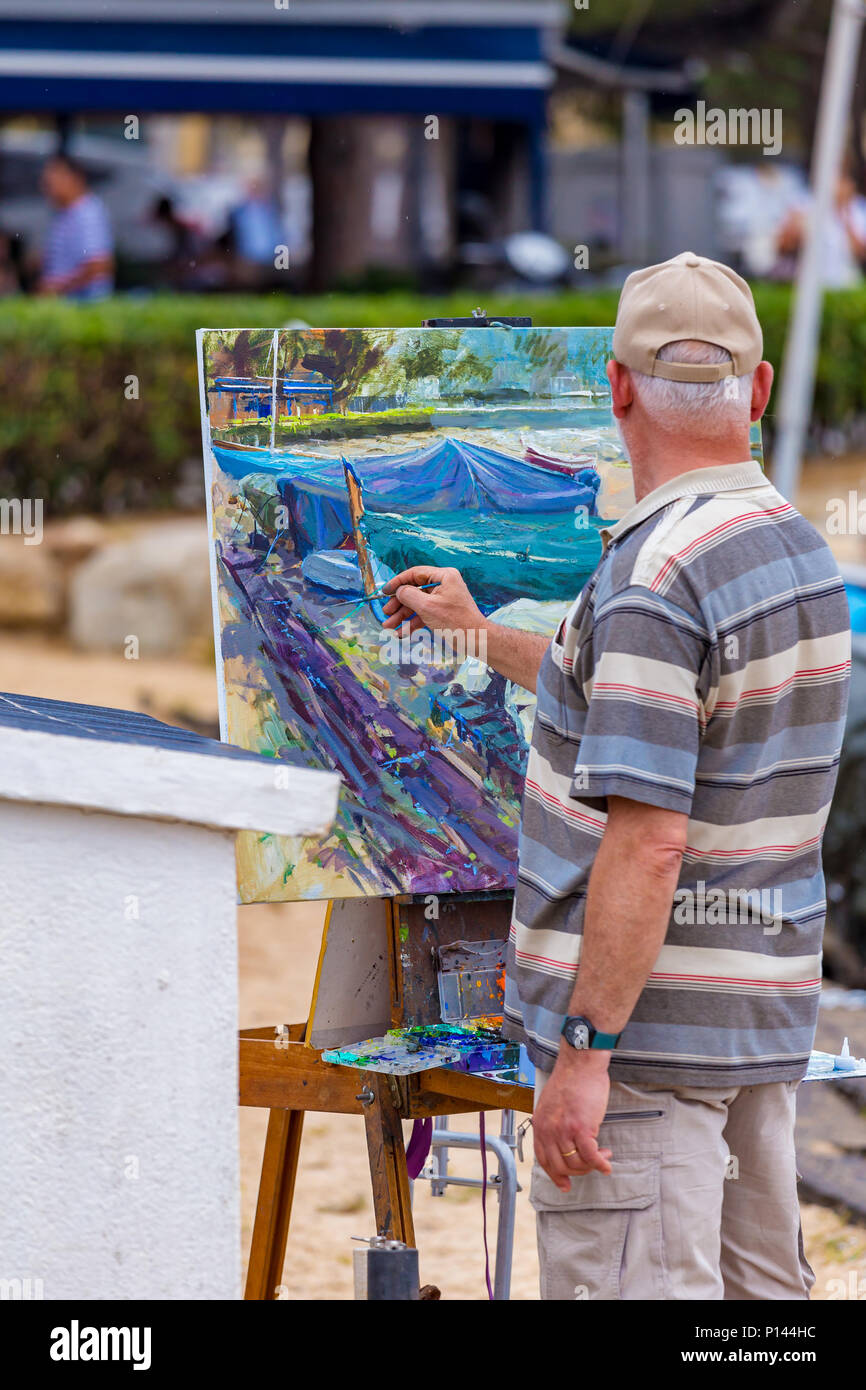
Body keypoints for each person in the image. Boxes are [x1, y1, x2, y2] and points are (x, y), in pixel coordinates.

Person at [381, 251, 852, 1300]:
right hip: (751, 1028)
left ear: (618, 387)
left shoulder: (652, 576)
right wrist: (476, 637)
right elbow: (647, 697)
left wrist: (584, 1048)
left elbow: (649, 837)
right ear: (758, 389)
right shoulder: (791, 552)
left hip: (642, 1056)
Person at [38, 153, 114, 300]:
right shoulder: (65, 213)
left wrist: (56, 288)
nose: (47, 189)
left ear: (75, 178)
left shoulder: (87, 213)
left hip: (84, 309)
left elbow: (99, 265)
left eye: (51, 183)